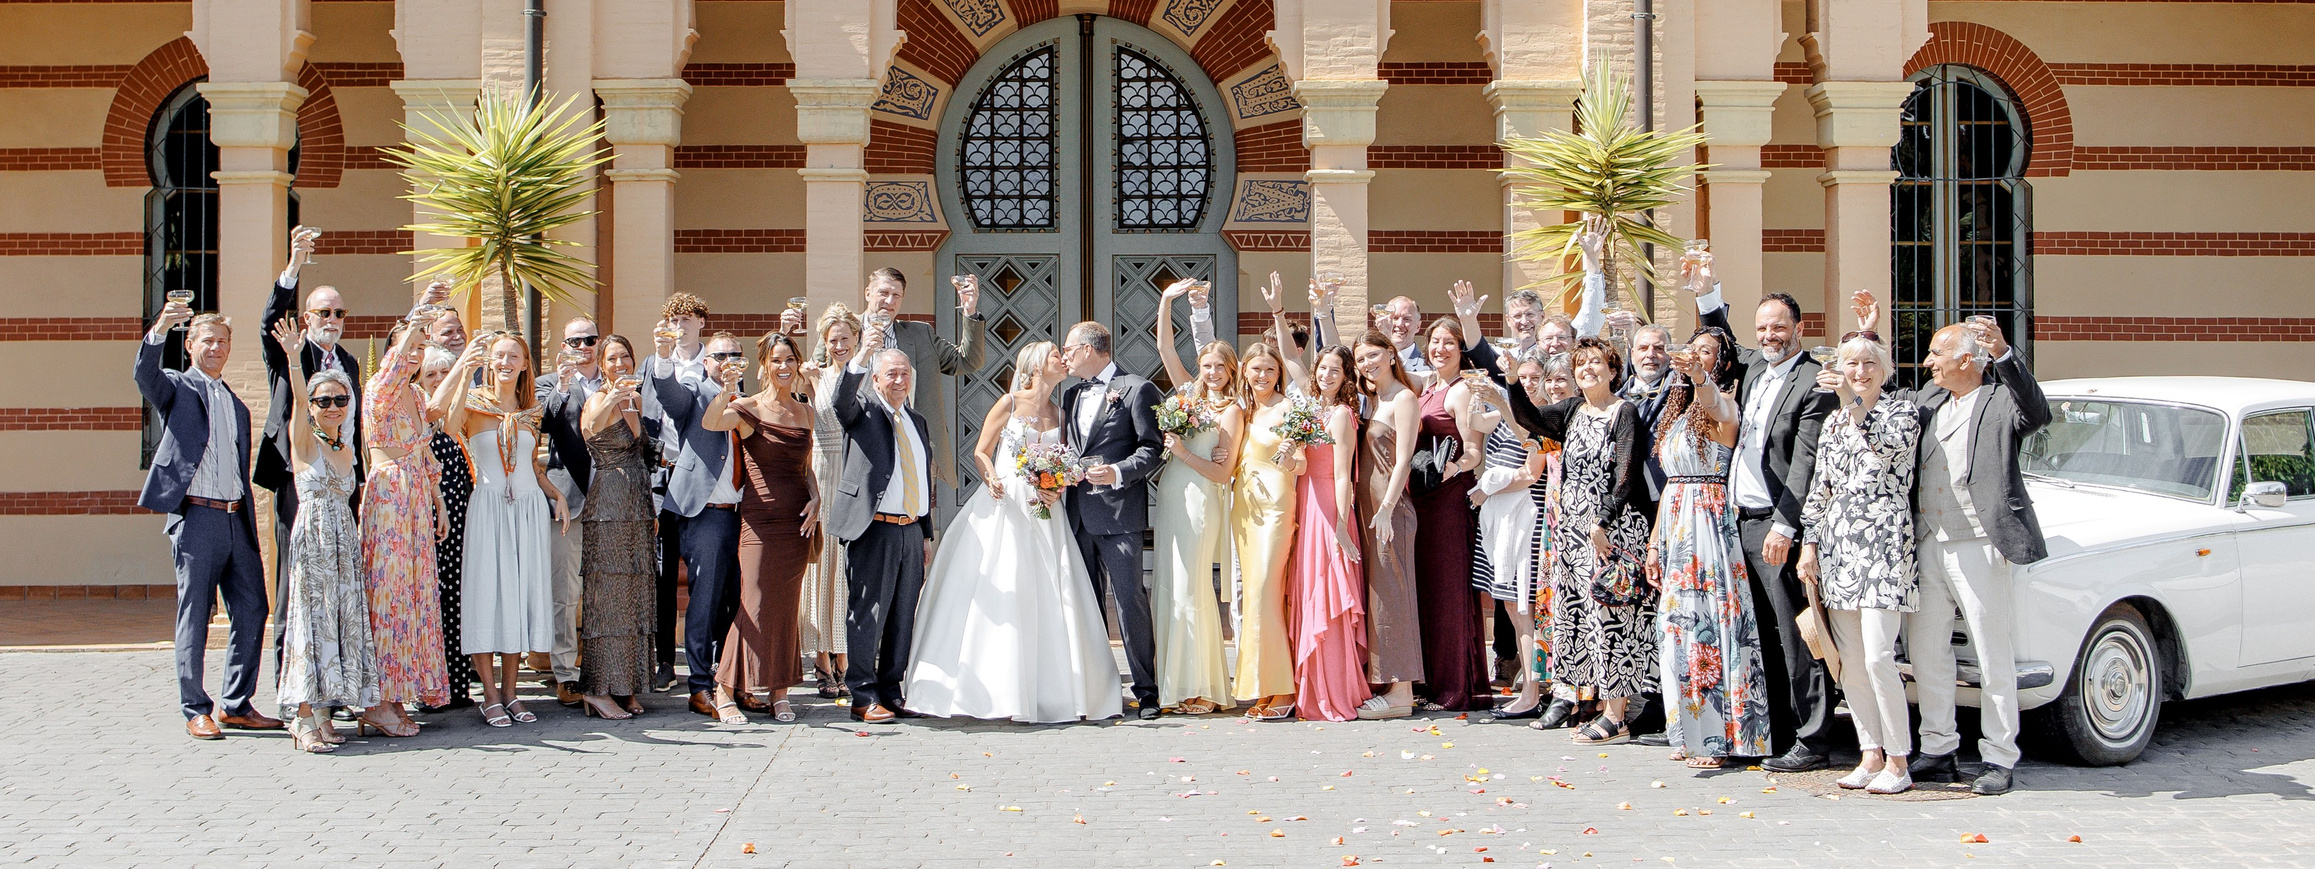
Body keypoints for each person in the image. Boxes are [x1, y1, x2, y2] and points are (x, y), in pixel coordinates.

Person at [1849, 293, 2050, 796]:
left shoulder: (2000, 400)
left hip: (1979, 541)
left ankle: (1999, 756)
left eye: (1937, 354)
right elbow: (1878, 390)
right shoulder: (1929, 401)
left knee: (1990, 652)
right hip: (1927, 540)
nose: (1928, 362)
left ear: (1967, 359)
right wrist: (1868, 334)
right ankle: (1939, 748)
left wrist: (2004, 353)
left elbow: (2037, 411)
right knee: (1927, 652)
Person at [903, 342, 1124, 723]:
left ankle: (1054, 689)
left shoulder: (1061, 412)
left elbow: (1066, 462)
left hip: (1045, 509)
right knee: (1003, 583)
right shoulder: (1009, 403)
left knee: (1052, 589)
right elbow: (981, 450)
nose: (1063, 359)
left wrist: (1057, 485)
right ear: (1036, 365)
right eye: (1055, 355)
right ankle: (990, 688)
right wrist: (991, 477)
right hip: (1005, 501)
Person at [1690, 254, 1839, 773]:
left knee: (1797, 634)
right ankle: (1773, 734)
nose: (1770, 335)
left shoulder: (1814, 381)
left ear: (1799, 328)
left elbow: (1805, 464)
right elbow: (1723, 337)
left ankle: (1815, 738)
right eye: (1763, 328)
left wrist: (1785, 525)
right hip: (1742, 522)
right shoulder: (1755, 368)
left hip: (1778, 526)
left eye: (1779, 327)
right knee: (1759, 635)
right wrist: (1707, 290)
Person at [136, 304, 282, 740]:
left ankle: (236, 704)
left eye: (223, 341)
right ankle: (196, 708)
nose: (216, 348)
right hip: (197, 518)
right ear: (190, 345)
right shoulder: (177, 388)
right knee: (195, 614)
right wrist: (161, 326)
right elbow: (145, 375)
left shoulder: (236, 404)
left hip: (236, 519)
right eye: (208, 340)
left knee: (253, 608)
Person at [1798, 333, 1922, 794]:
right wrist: (1809, 544)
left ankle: (1899, 760)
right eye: (1851, 364)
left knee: (1878, 657)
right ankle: (1870, 753)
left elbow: (1887, 447)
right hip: (1839, 549)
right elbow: (1821, 486)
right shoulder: (1833, 422)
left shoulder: (1901, 412)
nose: (1860, 371)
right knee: (1849, 661)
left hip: (1884, 547)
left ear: (1884, 369)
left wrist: (1851, 400)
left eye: (1869, 363)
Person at [1646, 328, 1770, 768]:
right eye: (1692, 351)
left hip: (1708, 525)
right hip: (1676, 523)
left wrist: (1701, 379)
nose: (1695, 358)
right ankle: (1688, 731)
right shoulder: (1677, 414)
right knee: (1676, 630)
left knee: (1709, 625)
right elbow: (1669, 485)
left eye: (1707, 354)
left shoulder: (1725, 405)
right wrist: (1655, 545)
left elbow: (1717, 406)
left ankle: (1718, 737)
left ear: (1722, 364)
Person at [445, 332, 570, 727]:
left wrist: (555, 494)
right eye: (498, 355)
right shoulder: (473, 402)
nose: (505, 362)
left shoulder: (532, 411)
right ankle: (489, 695)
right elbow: (448, 428)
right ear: (489, 361)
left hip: (527, 509)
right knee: (486, 595)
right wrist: (463, 372)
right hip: (488, 507)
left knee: (517, 597)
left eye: (513, 356)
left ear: (525, 364)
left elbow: (531, 464)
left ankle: (512, 694)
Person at [266, 316, 376, 753]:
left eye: (340, 399)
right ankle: (303, 717)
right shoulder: (306, 441)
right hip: (313, 540)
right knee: (310, 624)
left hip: (343, 541)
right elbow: (296, 398)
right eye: (324, 400)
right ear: (312, 406)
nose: (332, 406)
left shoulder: (345, 447)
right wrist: (295, 360)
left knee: (338, 624)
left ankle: (326, 712)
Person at [1539, 337, 1656, 745]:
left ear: (1613, 370)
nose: (1587, 369)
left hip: (1611, 531)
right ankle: (1597, 706)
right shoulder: (1573, 409)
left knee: (1612, 619)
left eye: (1595, 363)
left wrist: (1601, 520)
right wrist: (1511, 383)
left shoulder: (1623, 412)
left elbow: (1627, 472)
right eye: (1580, 364)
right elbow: (1529, 418)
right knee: (1584, 622)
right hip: (1573, 534)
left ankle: (1616, 717)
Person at [702, 332, 819, 724]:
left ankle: (779, 694)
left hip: (798, 522)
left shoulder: (805, 411)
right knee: (753, 604)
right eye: (776, 360)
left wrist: (816, 497)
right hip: (760, 522)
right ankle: (723, 690)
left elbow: (805, 467)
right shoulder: (748, 407)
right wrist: (727, 390)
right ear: (764, 364)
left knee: (785, 608)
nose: (783, 367)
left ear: (797, 363)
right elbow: (711, 422)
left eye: (790, 359)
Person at [1059, 321, 1167, 720]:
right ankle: (1096, 692)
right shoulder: (1070, 394)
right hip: (1077, 513)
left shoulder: (1138, 388)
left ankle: (1147, 692)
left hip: (1120, 513)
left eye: (1069, 349)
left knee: (1129, 600)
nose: (1065, 356)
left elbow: (1152, 448)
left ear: (1088, 349)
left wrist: (1118, 472)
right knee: (1085, 604)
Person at [358, 318, 456, 736]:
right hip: (389, 497)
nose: (415, 355)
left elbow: (426, 452)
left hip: (416, 498)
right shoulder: (379, 388)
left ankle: (396, 697)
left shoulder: (415, 394)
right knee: (389, 595)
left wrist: (439, 502)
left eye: (421, 348)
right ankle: (378, 703)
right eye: (409, 347)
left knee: (413, 598)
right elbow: (395, 366)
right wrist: (418, 317)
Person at [828, 348, 936, 723]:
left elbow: (921, 479)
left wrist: (925, 534)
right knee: (868, 614)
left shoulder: (916, 420)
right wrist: (861, 356)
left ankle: (891, 690)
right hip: (873, 529)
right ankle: (863, 695)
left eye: (905, 373)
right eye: (891, 374)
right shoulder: (863, 410)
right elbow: (840, 401)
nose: (900, 380)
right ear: (874, 379)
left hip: (910, 530)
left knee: (902, 616)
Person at [256, 228, 363, 611]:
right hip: (298, 475)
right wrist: (295, 264)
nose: (332, 319)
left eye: (339, 313)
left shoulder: (348, 362)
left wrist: (358, 476)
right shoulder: (292, 351)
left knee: (338, 573)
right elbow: (270, 321)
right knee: (296, 572)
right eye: (324, 312)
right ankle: (289, 650)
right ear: (306, 317)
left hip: (342, 478)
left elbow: (353, 424)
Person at [651, 328, 751, 723]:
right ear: (706, 362)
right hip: (706, 512)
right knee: (705, 600)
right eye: (720, 356)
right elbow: (668, 394)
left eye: (735, 355)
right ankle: (699, 686)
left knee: (738, 601)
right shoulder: (695, 391)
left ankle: (731, 683)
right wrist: (663, 355)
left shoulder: (749, 401)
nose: (728, 362)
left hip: (744, 515)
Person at [1152, 281, 1243, 714]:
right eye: (1206, 365)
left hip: (1202, 499)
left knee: (1193, 588)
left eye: (1219, 366)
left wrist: (1184, 452)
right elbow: (1165, 349)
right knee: (1169, 586)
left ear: (1231, 370)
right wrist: (1166, 300)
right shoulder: (1187, 394)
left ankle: (1203, 687)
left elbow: (1223, 472)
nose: (1212, 372)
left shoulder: (1232, 410)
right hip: (1172, 493)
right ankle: (1173, 685)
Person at [576, 335, 658, 719]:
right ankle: (597, 689)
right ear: (602, 364)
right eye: (611, 358)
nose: (620, 363)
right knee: (608, 597)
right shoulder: (596, 399)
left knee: (633, 597)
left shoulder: (637, 400)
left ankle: (626, 685)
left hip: (637, 504)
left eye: (625, 356)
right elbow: (590, 429)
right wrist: (611, 395)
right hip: (608, 506)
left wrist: (650, 510)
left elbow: (642, 453)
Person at [1287, 346, 1369, 721]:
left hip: (1328, 510)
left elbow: (1342, 474)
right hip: (1306, 503)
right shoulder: (1310, 410)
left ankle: (1333, 687)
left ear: (1346, 376)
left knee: (1327, 591)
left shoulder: (1340, 415)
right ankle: (1309, 685)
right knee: (1308, 589)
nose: (1327, 375)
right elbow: (1289, 356)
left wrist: (1339, 526)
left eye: (1336, 370)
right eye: (1322, 368)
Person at [855, 267, 986, 498]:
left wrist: (970, 311)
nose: (889, 301)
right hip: (859, 441)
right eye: (883, 293)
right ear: (868, 293)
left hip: (910, 443)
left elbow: (967, 362)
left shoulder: (920, 334)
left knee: (915, 515)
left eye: (896, 295)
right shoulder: (844, 330)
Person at [1467, 372, 1549, 721]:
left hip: (1526, 516)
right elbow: (1475, 423)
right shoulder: (1504, 413)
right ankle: (1531, 687)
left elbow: (1531, 469)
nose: (1528, 383)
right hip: (1501, 519)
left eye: (1534, 377)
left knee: (1526, 610)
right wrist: (1477, 396)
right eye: (1522, 377)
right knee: (1514, 610)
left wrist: (1488, 487)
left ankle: (1533, 692)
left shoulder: (1542, 417)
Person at [1351, 331, 1424, 720]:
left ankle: (1401, 692)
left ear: (1391, 355)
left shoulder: (1404, 398)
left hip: (1389, 512)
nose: (1367, 363)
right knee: (1377, 595)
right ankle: (1385, 681)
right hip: (1368, 509)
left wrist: (1387, 507)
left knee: (1393, 596)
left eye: (1373, 355)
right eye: (1361, 358)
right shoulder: (1374, 400)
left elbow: (1404, 459)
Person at [1231, 342, 1304, 720]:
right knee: (1253, 599)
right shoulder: (1242, 409)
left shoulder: (1288, 408)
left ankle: (1284, 689)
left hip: (1276, 506)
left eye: (1270, 370)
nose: (1262, 376)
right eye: (1256, 369)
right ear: (1244, 370)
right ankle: (1262, 687)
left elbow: (1302, 463)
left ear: (1279, 375)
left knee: (1265, 594)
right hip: (1244, 510)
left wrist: (1290, 457)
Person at [537, 317, 605, 706]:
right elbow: (544, 424)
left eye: (589, 340)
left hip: (612, 501)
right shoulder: (549, 383)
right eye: (574, 341)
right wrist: (563, 385)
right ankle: (565, 672)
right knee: (565, 592)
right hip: (568, 500)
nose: (582, 347)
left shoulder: (616, 380)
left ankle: (604, 669)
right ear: (563, 345)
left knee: (605, 590)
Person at [651, 292, 713, 693]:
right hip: (663, 476)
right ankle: (664, 661)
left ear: (701, 322)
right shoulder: (655, 363)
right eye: (674, 319)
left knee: (704, 571)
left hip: (703, 479)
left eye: (687, 318)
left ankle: (705, 659)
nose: (680, 325)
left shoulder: (716, 362)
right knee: (663, 573)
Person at [799, 305, 861, 697]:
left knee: (847, 569)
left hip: (853, 473)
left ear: (856, 339)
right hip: (821, 472)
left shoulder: (866, 376)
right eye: (832, 339)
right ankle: (822, 656)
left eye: (845, 338)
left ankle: (846, 656)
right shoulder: (814, 376)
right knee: (821, 565)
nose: (839, 345)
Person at [1520, 353, 1581, 731]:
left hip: (1586, 520)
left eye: (1563, 379)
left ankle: (1588, 695)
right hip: (1555, 522)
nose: (1556, 386)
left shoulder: (1593, 416)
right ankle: (1563, 692)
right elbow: (1531, 467)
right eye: (1552, 380)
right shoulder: (1547, 422)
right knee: (1554, 608)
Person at [419, 342, 478, 710]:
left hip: (459, 512)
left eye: (445, 372)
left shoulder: (460, 409)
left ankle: (456, 687)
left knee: (456, 599)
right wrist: (464, 370)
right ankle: (431, 689)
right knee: (433, 601)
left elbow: (454, 424)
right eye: (431, 374)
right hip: (430, 515)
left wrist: (465, 375)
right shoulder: (418, 412)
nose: (439, 379)